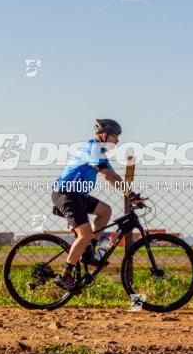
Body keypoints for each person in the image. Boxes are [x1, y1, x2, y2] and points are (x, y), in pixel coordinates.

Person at [51, 118, 141, 289]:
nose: (118, 140)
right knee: (84, 234)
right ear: (105, 135)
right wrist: (129, 194)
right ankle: (65, 276)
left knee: (105, 211)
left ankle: (89, 252)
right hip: (67, 193)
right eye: (115, 136)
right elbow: (108, 175)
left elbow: (112, 176)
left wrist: (129, 194)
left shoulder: (99, 152)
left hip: (78, 195)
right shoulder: (93, 149)